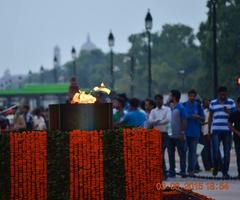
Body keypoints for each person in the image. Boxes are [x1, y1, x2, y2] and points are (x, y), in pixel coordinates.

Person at [208, 86, 236, 178]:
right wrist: (209, 130)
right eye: (221, 94)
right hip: (216, 130)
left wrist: (228, 112)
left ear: (226, 93)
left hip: (227, 130)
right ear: (218, 94)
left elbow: (235, 115)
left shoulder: (231, 102)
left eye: (224, 94)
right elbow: (210, 117)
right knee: (215, 152)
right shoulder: (213, 103)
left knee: (227, 152)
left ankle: (225, 172)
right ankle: (216, 167)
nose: (223, 96)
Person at [148, 94, 171, 179]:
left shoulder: (167, 109)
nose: (158, 101)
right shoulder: (153, 111)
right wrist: (159, 121)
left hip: (164, 134)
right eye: (156, 99)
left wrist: (156, 122)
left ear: (162, 100)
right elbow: (150, 121)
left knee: (161, 153)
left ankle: (164, 173)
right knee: (157, 154)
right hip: (155, 134)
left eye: (159, 99)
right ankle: (160, 173)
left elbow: (168, 119)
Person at [183, 89, 205, 176]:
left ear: (195, 96)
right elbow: (181, 117)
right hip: (185, 132)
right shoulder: (184, 105)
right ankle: (183, 169)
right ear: (188, 96)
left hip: (195, 133)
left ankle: (191, 170)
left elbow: (203, 118)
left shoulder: (199, 106)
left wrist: (198, 116)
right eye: (190, 95)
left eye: (193, 96)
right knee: (184, 151)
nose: (192, 97)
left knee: (193, 152)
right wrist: (189, 116)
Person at [167, 90, 187, 178]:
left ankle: (183, 171)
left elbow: (184, 121)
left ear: (174, 97)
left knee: (181, 154)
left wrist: (182, 133)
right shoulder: (171, 107)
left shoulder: (181, 107)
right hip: (170, 135)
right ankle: (172, 171)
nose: (169, 97)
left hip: (178, 135)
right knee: (170, 154)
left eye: (170, 95)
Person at [228, 96, 240, 178]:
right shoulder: (234, 114)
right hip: (237, 137)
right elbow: (229, 124)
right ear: (237, 104)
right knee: (239, 156)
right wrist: (236, 132)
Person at [200, 98, 213, 171]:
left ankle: (213, 166)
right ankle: (207, 167)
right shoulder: (203, 112)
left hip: (211, 133)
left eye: (208, 102)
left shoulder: (212, 111)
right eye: (205, 102)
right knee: (204, 151)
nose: (207, 103)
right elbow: (201, 122)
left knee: (211, 150)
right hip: (203, 133)